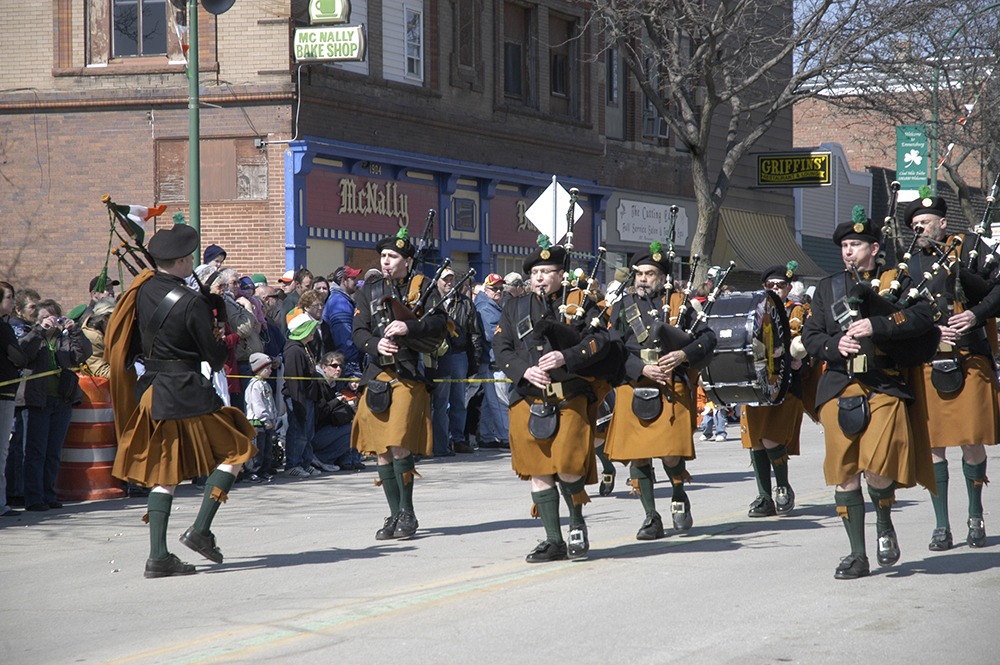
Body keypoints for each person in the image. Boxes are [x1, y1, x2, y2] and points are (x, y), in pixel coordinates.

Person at [106, 223, 257, 578]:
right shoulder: (192, 302)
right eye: (188, 257)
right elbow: (216, 357)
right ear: (179, 261)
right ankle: (201, 530)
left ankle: (159, 556)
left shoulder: (141, 290)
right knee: (238, 449)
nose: (191, 261)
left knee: (165, 474)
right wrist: (219, 327)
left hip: (152, 390)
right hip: (185, 391)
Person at [802, 206, 938, 580]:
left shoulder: (898, 280)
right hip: (838, 386)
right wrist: (835, 345)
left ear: (874, 248)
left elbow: (923, 318)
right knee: (845, 473)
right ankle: (857, 554)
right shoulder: (827, 287)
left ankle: (883, 521)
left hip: (884, 384)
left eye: (856, 244)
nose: (848, 251)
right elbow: (810, 335)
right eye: (845, 245)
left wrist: (876, 326)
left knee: (878, 469)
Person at [493, 240, 616, 562]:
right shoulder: (514, 307)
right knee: (539, 470)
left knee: (569, 466)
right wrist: (524, 371)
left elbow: (601, 341)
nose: (539, 277)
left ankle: (577, 525)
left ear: (561, 274)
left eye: (547, 271)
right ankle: (553, 540)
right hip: (529, 397)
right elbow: (502, 348)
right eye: (535, 272)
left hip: (570, 395)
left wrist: (568, 355)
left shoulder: (582, 301)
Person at [900, 192, 1000, 550]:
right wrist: (926, 329)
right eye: (914, 225)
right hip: (929, 360)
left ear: (943, 223)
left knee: (971, 441)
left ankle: (975, 514)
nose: (919, 229)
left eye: (924, 223)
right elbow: (900, 312)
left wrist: (976, 313)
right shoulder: (909, 264)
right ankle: (941, 525)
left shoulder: (972, 247)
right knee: (934, 445)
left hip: (969, 355)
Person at [603, 243, 717, 540]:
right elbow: (612, 347)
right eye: (639, 273)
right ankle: (650, 516)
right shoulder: (622, 306)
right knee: (639, 456)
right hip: (635, 383)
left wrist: (684, 355)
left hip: (672, 383)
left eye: (650, 274)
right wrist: (639, 369)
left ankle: (679, 495)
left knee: (669, 454)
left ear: (663, 277)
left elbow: (708, 338)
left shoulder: (681, 303)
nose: (642, 279)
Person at [351, 228, 448, 541]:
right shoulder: (369, 290)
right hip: (378, 374)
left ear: (408, 261)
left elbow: (439, 324)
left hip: (409, 373)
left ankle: (408, 511)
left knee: (398, 441)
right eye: (383, 256)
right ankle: (394, 514)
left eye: (393, 256)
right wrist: (375, 344)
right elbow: (358, 331)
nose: (386, 261)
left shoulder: (424, 288)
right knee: (381, 450)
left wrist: (409, 325)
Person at [739, 262, 817, 518]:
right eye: (770, 285)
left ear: (788, 288)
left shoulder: (799, 311)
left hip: (786, 384)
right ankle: (764, 496)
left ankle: (782, 486)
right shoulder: (752, 311)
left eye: (780, 285)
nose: (774, 289)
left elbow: (812, 344)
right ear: (764, 287)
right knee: (756, 443)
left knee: (771, 438)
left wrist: (801, 360)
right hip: (756, 384)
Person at [18, 299, 92, 512]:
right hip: (38, 401)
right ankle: (34, 497)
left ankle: (49, 494)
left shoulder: (64, 340)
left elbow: (82, 355)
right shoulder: (32, 337)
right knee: (35, 451)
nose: (49, 322)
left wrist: (75, 331)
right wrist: (40, 331)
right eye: (43, 318)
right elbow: (23, 354)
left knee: (53, 451)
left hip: (62, 400)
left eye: (53, 318)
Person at [429, 267, 483, 456]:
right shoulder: (432, 300)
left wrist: (473, 361)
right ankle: (439, 443)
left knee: (459, 400)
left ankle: (458, 439)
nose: (449, 283)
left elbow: (474, 333)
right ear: (437, 281)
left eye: (452, 279)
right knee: (440, 402)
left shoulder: (466, 303)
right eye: (445, 279)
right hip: (438, 355)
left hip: (459, 355)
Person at [282, 313, 330, 476]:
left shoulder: (304, 348)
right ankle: (293, 464)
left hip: (308, 397)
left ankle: (305, 461)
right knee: (298, 430)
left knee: (307, 432)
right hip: (298, 397)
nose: (313, 332)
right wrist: (298, 403)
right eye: (310, 329)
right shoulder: (294, 351)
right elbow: (294, 381)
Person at [474, 273, 509, 449]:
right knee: (499, 401)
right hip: (492, 361)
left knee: (490, 401)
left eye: (501, 289)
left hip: (491, 360)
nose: (498, 292)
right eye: (494, 289)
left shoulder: (490, 304)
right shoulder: (485, 307)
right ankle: (506, 437)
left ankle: (486, 436)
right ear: (485, 289)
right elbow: (491, 334)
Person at [0, 281, 27, 517]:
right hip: (4, 394)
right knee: (2, 450)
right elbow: (19, 357)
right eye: (8, 297)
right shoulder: (4, 329)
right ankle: (1, 503)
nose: (12, 302)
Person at [314, 351, 363, 470]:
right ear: (324, 367)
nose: (338, 369)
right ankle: (322, 458)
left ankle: (347, 460)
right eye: (334, 366)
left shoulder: (334, 384)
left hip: (328, 429)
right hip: (315, 434)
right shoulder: (318, 382)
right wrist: (337, 401)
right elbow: (320, 412)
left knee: (357, 426)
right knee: (354, 429)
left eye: (340, 366)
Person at [244, 352, 278, 482]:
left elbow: (271, 403)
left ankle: (264, 470)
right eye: (267, 368)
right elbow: (257, 404)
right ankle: (252, 472)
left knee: (267, 449)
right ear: (258, 369)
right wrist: (265, 419)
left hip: (267, 422)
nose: (270, 371)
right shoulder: (255, 386)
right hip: (257, 423)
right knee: (256, 450)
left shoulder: (265, 384)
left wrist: (273, 417)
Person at [322, 265, 362, 371]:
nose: (357, 282)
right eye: (353, 279)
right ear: (343, 280)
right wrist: (353, 365)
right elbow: (344, 338)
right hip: (346, 363)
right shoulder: (339, 303)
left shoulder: (340, 299)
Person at [81, 297, 116, 378]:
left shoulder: (105, 330)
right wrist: (128, 375)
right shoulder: (92, 336)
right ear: (104, 318)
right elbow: (99, 369)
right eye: (115, 316)